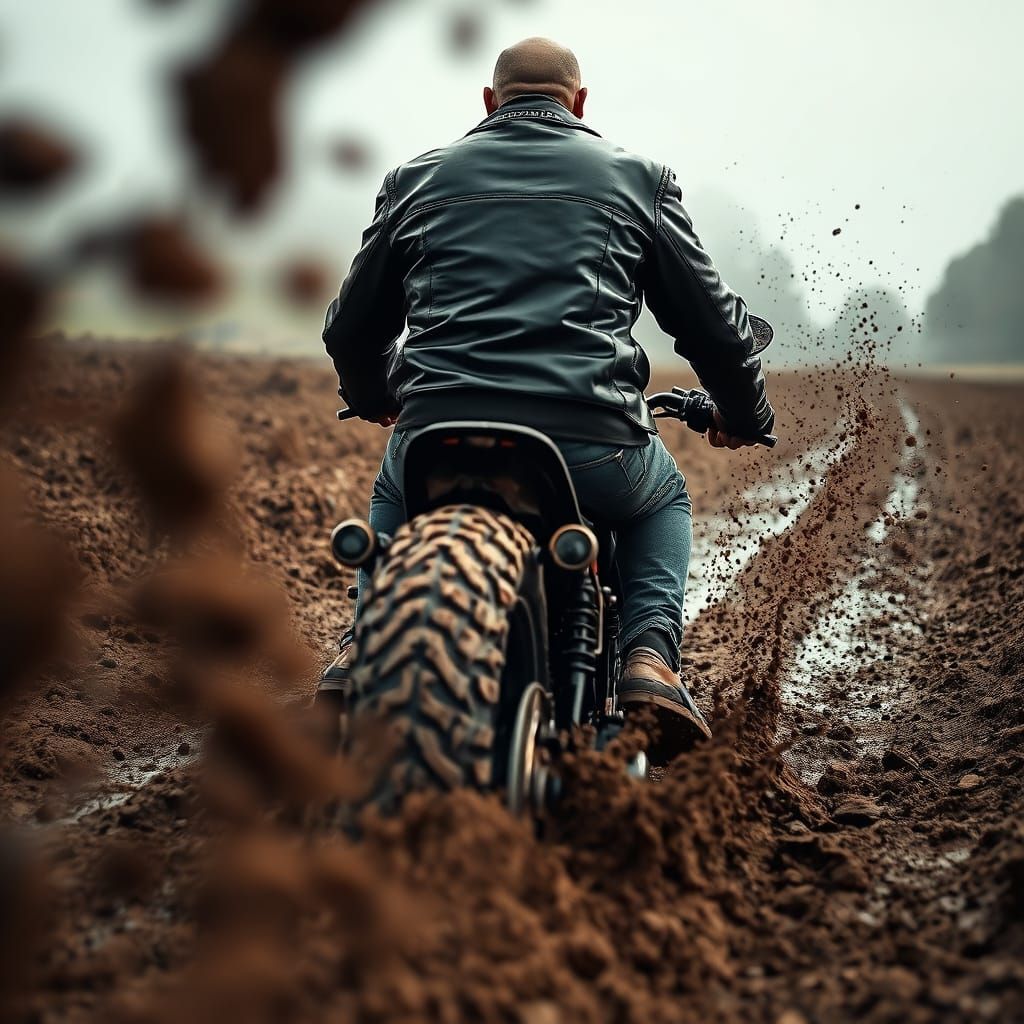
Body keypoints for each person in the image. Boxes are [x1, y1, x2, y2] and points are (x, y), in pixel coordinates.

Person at [318, 37, 774, 752]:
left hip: (438, 432)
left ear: (490, 103)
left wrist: (379, 395)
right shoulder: (639, 179)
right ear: (581, 103)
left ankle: (362, 643)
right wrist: (745, 415)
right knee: (663, 500)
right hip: (590, 443)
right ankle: (649, 660)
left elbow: (350, 328)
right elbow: (716, 331)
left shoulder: (416, 178)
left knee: (395, 492)